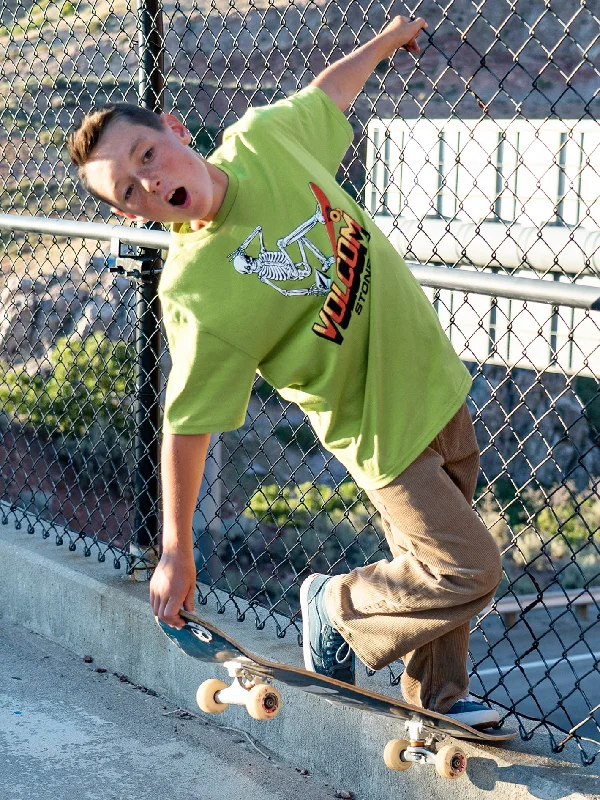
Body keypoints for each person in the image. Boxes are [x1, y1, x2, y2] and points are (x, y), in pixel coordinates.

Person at [66, 15, 503, 728]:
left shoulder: (265, 138)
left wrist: (386, 41)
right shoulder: (196, 290)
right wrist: (176, 550)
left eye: (148, 154)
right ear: (129, 212)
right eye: (130, 190)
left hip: (436, 378)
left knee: (434, 566)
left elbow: (328, 95)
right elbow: (188, 424)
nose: (150, 181)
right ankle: (333, 607)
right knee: (465, 568)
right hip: (379, 430)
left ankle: (439, 700)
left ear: (176, 129)